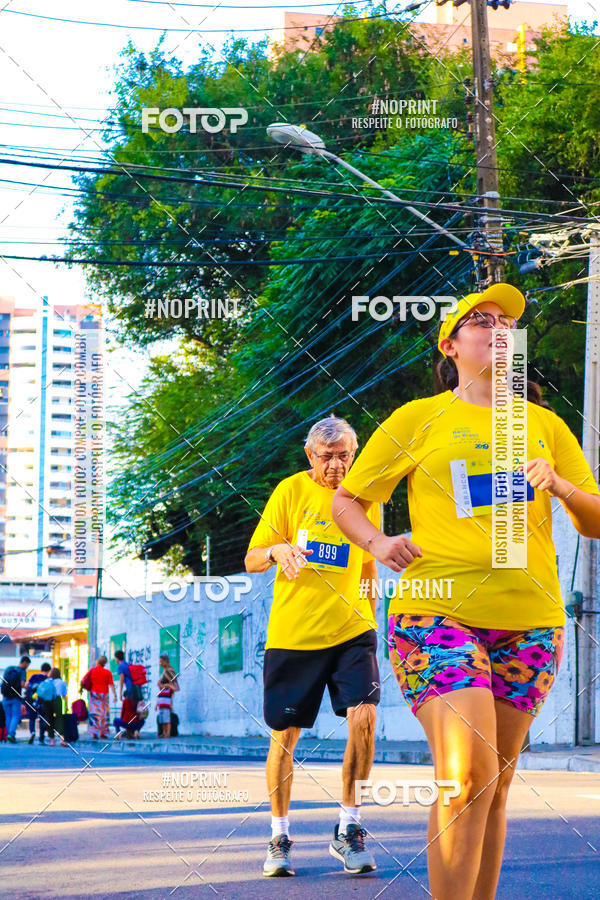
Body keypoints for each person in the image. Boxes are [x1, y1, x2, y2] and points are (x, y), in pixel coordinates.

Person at [332, 283, 600, 900]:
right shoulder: (418, 419)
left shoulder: (544, 425)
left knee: (495, 783)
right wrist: (376, 543)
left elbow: (594, 520)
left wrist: (559, 485)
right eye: (481, 320)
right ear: (450, 345)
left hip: (530, 621)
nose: (498, 329)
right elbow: (348, 500)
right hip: (436, 612)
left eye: (507, 323)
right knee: (465, 774)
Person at [245, 416, 380, 878]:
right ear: (310, 456)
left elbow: (366, 565)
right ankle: (279, 837)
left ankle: (349, 828)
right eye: (328, 457)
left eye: (345, 455)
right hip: (295, 636)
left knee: (365, 716)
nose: (337, 466)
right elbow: (251, 557)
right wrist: (275, 551)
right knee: (284, 738)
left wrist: (373, 615)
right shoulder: (289, 493)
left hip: (352, 631)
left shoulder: (366, 498)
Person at [85, 656, 117, 740]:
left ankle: (94, 733)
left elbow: (84, 680)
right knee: (103, 714)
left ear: (98, 662)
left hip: (94, 694)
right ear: (105, 663)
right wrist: (115, 695)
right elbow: (111, 684)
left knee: (94, 714)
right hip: (104, 695)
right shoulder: (108, 672)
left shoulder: (92, 670)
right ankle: (103, 733)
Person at [1, 655, 30, 743]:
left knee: (8, 716)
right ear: (25, 662)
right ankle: (11, 734)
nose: (27, 666)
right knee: (15, 716)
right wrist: (27, 687)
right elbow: (22, 685)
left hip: (5, 697)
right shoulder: (22, 671)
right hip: (15, 697)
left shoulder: (9, 669)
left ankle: (7, 735)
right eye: (28, 664)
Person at [24, 662, 51, 745]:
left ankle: (32, 732)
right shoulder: (47, 679)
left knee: (32, 718)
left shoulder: (34, 676)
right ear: (48, 670)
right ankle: (41, 738)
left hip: (31, 700)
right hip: (41, 702)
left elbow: (26, 685)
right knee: (42, 718)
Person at [156, 654, 179, 738]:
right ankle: (164, 733)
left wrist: (166, 686)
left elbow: (175, 687)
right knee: (162, 718)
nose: (160, 663)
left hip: (167, 698)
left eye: (162, 662)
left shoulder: (170, 671)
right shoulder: (165, 671)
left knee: (166, 718)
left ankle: (167, 733)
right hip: (162, 699)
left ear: (166, 661)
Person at [50, 667, 68, 747]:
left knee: (50, 719)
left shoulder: (49, 681)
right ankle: (62, 739)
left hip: (49, 700)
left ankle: (52, 740)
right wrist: (66, 706)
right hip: (58, 700)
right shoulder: (62, 682)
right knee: (59, 719)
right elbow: (64, 695)